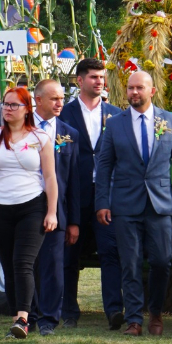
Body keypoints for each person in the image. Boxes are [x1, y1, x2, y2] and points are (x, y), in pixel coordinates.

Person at [95, 71, 172, 336]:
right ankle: (135, 319)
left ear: (152, 91)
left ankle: (157, 312)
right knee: (130, 262)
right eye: (130, 88)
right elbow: (104, 166)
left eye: (139, 88)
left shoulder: (170, 120)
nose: (133, 93)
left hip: (159, 204)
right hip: (125, 204)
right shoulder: (115, 124)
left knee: (162, 261)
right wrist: (102, 202)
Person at [0, 87, 59, 339]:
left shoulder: (40, 137)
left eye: (14, 105)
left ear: (27, 110)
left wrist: (52, 211)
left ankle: (24, 318)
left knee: (23, 262)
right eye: (6, 105)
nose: (7, 109)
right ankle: (16, 318)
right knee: (10, 265)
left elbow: (50, 177)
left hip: (31, 206)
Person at [58, 58, 124, 329]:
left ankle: (114, 311)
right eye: (94, 77)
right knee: (70, 255)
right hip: (75, 193)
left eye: (101, 77)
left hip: (105, 195)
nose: (99, 81)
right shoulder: (64, 113)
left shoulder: (116, 114)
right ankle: (69, 311)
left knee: (110, 252)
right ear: (79, 81)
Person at [27, 79, 81, 335]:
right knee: (27, 265)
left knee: (53, 266)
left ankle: (49, 319)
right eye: (54, 99)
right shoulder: (20, 129)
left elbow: (73, 181)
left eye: (62, 98)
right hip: (24, 205)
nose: (60, 103)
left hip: (56, 210)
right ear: (38, 100)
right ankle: (27, 314)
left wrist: (73, 221)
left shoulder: (69, 134)